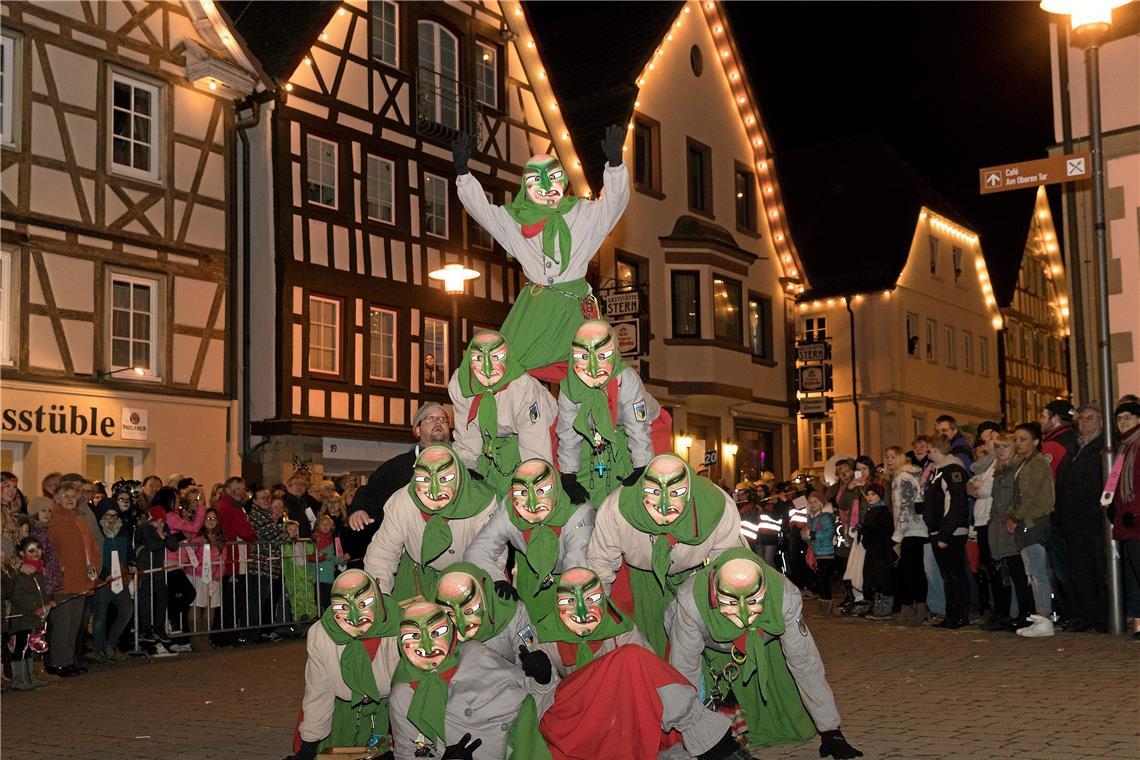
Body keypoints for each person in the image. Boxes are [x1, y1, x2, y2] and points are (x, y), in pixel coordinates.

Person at [453, 125, 629, 374]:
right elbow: (482, 211)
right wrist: (464, 175)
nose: (546, 184)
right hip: (535, 307)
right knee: (498, 369)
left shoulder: (584, 213)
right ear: (525, 186)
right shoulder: (514, 220)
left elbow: (614, 204)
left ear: (564, 180)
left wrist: (615, 166)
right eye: (536, 178)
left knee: (593, 370)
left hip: (573, 307)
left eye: (553, 176)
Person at [532, 567, 747, 760]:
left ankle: (704, 734)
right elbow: (541, 704)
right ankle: (712, 740)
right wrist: (542, 680)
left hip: (616, 712)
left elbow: (649, 679)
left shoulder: (621, 628)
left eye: (590, 598)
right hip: (576, 718)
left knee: (633, 658)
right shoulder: (545, 636)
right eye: (569, 601)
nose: (581, 609)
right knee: (631, 657)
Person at [665, 548, 862, 758]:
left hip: (762, 640)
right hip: (706, 644)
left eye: (752, 602)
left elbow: (805, 662)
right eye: (731, 602)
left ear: (765, 592)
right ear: (714, 595)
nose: (744, 616)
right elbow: (684, 672)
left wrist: (830, 728)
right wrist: (700, 738)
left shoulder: (785, 596)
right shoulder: (690, 603)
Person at [585, 452, 742, 656]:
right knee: (646, 650)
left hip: (697, 579)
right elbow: (600, 563)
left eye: (676, 492)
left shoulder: (718, 507)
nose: (664, 505)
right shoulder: (615, 509)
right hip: (641, 582)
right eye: (653, 490)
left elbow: (728, 564)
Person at [387, 601, 555, 760]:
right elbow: (409, 753)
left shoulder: (472, 652)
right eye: (413, 636)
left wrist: (542, 677)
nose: (427, 645)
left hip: (530, 731)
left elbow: (528, 686)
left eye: (436, 633)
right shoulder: (405, 693)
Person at [288, 570, 402, 760]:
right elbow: (319, 691)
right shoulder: (321, 635)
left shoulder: (401, 628)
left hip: (390, 716)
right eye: (342, 606)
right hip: (343, 715)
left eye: (364, 604)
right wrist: (309, 745)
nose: (355, 617)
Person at [363, 444, 499, 601]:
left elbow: (489, 554)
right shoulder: (402, 502)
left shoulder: (482, 502)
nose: (434, 491)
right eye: (424, 479)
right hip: (415, 576)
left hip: (466, 577)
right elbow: (382, 553)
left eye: (445, 479)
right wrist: (379, 598)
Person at [463, 458, 595, 619]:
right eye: (523, 492)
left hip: (574, 580)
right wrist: (497, 579)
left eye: (541, 490)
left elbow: (577, 566)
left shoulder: (579, 513)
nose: (532, 504)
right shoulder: (509, 508)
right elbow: (477, 551)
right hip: (529, 576)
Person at [556, 319, 669, 505]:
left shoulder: (627, 380)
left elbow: (638, 427)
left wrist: (642, 466)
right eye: (583, 356)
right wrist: (568, 473)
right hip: (594, 432)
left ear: (614, 352)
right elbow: (568, 432)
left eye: (603, 355)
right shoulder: (569, 389)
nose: (592, 367)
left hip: (643, 427)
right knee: (587, 489)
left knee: (643, 494)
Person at [449, 329, 558, 493]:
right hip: (493, 442)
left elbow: (535, 444)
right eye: (478, 358)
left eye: (496, 357)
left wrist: (536, 483)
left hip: (541, 433)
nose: (487, 368)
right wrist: (467, 468)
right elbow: (467, 428)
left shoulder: (523, 389)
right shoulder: (460, 383)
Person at [347, 403, 452, 549]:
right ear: (418, 430)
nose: (438, 422)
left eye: (443, 419)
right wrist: (359, 509)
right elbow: (371, 492)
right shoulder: (396, 468)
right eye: (430, 418)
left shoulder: (462, 466)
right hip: (409, 551)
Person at [1056, 404, 1108, 632]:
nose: (1086, 422)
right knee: (1080, 571)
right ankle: (1087, 616)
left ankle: (1103, 617)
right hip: (1073, 521)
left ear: (1101, 421)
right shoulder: (1074, 448)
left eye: (1091, 418)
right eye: (1082, 419)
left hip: (1094, 520)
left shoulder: (1104, 448)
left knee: (1099, 570)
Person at [434, 563, 542, 670]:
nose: (461, 626)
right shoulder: (435, 627)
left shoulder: (516, 613)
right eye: (451, 613)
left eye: (470, 610)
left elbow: (530, 646)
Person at [1005, 423, 1057, 638]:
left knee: (1037, 571)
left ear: (1035, 441)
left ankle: (1045, 616)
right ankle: (1040, 615)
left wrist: (1016, 517)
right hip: (1027, 521)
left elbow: (1031, 496)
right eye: (1016, 439)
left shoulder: (1037, 464)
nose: (1018, 443)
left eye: (1023, 439)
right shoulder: (1024, 463)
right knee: (1031, 571)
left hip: (1034, 522)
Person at [45, 481, 99, 675]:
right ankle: (57, 661)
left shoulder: (80, 521)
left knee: (75, 623)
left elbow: (91, 549)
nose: (70, 499)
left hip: (82, 579)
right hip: (64, 580)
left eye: (73, 496)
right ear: (57, 498)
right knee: (62, 623)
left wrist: (94, 571)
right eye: (65, 496)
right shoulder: (54, 521)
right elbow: (52, 551)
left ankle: (68, 660)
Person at [921, 435, 971, 629]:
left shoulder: (953, 471)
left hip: (950, 532)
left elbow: (956, 505)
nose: (927, 454)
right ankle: (952, 613)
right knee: (947, 576)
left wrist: (945, 533)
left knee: (955, 575)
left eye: (930, 450)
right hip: (938, 531)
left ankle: (960, 614)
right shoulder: (937, 472)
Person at [1039, 399, 1080, 626]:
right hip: (1068, 514)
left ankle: (1073, 612)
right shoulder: (1070, 440)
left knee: (1062, 567)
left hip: (1057, 515)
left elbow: (1048, 483)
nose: (1041, 421)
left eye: (1044, 416)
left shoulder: (1055, 446)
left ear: (1055, 418)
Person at [3, 537, 54, 690]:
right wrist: (34, 608)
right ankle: (19, 679)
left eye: (38, 549)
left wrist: (48, 603)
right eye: (31, 550)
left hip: (35, 618)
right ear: (22, 553)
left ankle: (31, 677)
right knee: (21, 647)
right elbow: (17, 596)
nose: (36, 553)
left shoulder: (38, 571)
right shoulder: (20, 574)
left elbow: (41, 593)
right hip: (23, 618)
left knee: (32, 647)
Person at [1108, 398, 1140, 638]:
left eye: (1127, 417)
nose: (1122, 422)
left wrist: (1135, 511)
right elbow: (1116, 481)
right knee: (1134, 573)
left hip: (1136, 519)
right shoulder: (1123, 447)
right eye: (1119, 418)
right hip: (1126, 520)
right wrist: (1110, 504)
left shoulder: (1136, 445)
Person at [885, 446, 927, 626]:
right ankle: (914, 608)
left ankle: (913, 608)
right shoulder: (900, 478)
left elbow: (906, 508)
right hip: (910, 530)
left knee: (910, 572)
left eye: (893, 457)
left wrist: (898, 536)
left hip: (912, 531)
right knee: (912, 571)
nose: (889, 460)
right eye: (887, 457)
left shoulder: (903, 478)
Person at [91, 507, 134, 662]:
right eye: (107, 515)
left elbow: (129, 551)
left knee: (127, 609)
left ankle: (110, 644)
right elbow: (92, 556)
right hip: (102, 580)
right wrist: (101, 575)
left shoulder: (122, 532)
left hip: (119, 578)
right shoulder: (96, 532)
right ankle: (99, 649)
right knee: (100, 616)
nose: (111, 518)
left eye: (114, 515)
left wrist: (132, 563)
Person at [135, 505, 179, 655]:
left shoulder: (164, 528)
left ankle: (159, 627)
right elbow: (151, 545)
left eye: (162, 521)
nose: (159, 524)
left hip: (158, 569)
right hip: (146, 568)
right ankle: (146, 627)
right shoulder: (144, 529)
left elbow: (174, 545)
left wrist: (165, 537)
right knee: (145, 598)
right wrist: (162, 538)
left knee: (162, 597)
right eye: (156, 521)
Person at [249, 488, 287, 631]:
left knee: (264, 598)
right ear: (255, 501)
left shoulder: (266, 516)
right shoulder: (258, 516)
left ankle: (261, 629)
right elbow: (276, 537)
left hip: (268, 564)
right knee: (257, 599)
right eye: (262, 498)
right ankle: (254, 631)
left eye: (268, 498)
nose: (266, 500)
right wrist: (287, 537)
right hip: (260, 564)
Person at [858, 482, 895, 620]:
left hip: (881, 551)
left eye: (873, 494)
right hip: (873, 550)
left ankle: (884, 607)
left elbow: (881, 532)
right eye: (868, 494)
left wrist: (865, 529)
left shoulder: (883, 512)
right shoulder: (871, 510)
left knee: (882, 578)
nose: (869, 497)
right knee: (871, 577)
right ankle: (875, 604)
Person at [805, 487, 838, 617]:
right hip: (818, 553)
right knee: (821, 581)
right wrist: (806, 537)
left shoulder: (825, 517)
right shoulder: (812, 518)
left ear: (821, 503)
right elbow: (811, 537)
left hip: (826, 553)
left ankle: (827, 610)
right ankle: (824, 608)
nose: (812, 505)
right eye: (810, 502)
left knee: (824, 581)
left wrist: (812, 535)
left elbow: (829, 533)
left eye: (815, 502)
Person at [281, 519, 318, 622]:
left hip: (306, 573)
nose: (294, 531)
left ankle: (312, 614)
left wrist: (311, 543)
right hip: (294, 575)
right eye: (290, 529)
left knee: (309, 594)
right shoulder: (286, 544)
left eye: (295, 529)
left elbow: (309, 552)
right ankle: (300, 616)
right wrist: (289, 543)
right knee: (297, 596)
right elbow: (287, 554)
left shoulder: (302, 542)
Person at [310, 513, 343, 611]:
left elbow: (332, 558)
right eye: (322, 524)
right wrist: (322, 557)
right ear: (317, 526)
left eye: (327, 524)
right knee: (319, 600)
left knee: (327, 601)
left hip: (328, 575)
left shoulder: (332, 539)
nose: (325, 526)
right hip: (318, 576)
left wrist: (343, 560)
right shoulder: (315, 538)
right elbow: (311, 555)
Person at [283, 472, 321, 539]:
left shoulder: (309, 501)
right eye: (296, 484)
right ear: (289, 487)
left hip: (307, 537)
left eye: (302, 485)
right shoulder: (284, 501)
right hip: (293, 537)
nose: (299, 487)